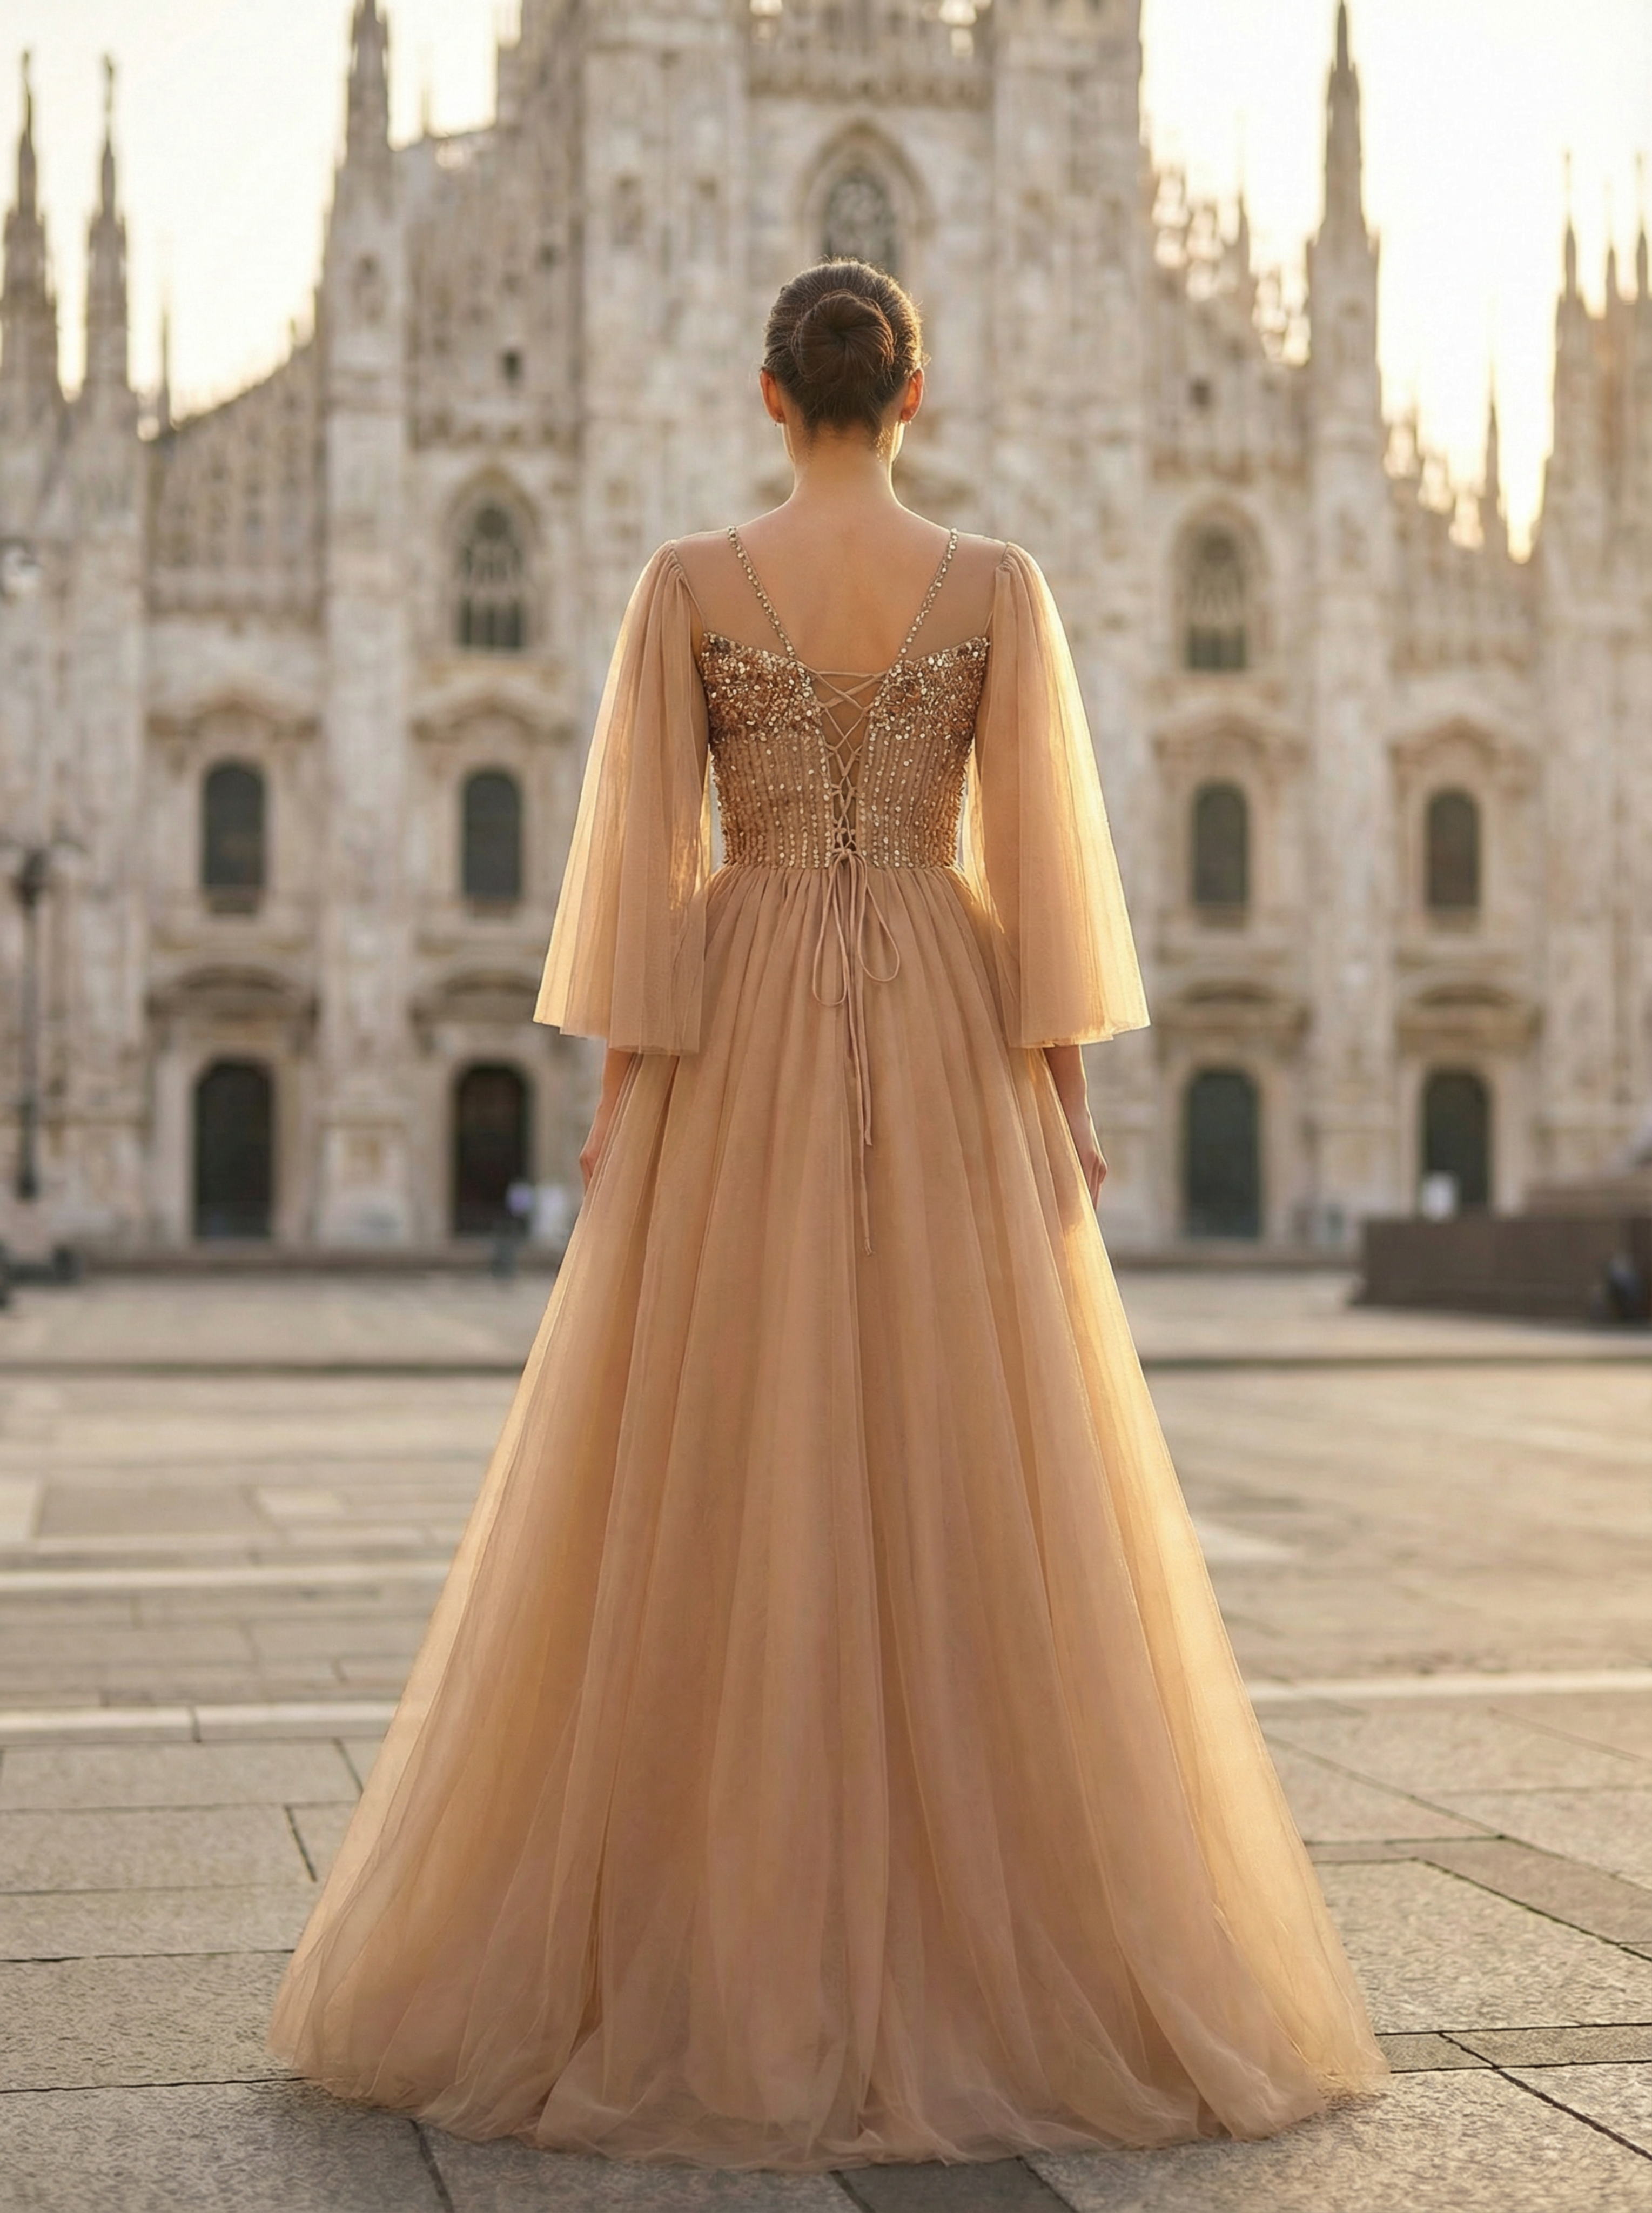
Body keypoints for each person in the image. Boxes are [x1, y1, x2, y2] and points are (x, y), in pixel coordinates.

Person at [268, 259, 1386, 2169]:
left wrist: (624, 1105)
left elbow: (640, 870)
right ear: (916, 395)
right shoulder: (998, 587)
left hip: (743, 1015)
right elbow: (1040, 874)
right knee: (972, 1456)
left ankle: (709, 1913)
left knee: (720, 1454)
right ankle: (1029, 1924)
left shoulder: (693, 585)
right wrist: (1069, 1101)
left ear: (765, 396)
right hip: (952, 1019)